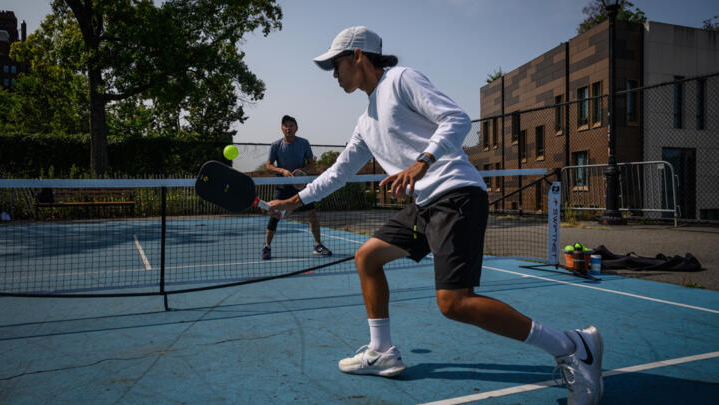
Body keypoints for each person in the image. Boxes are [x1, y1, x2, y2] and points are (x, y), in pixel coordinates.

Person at [267, 27, 603, 404]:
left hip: (455, 194)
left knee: (454, 303)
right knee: (368, 257)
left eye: (336, 63)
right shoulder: (365, 122)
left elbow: (457, 119)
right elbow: (339, 172)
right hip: (426, 204)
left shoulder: (401, 80)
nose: (334, 73)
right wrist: (296, 200)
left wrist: (421, 163)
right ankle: (382, 351)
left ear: (358, 56)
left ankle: (572, 346)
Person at [262, 115, 332, 260]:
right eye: (286, 125)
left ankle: (317, 245)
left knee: (312, 214)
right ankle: (267, 247)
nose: (288, 128)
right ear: (282, 129)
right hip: (283, 186)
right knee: (275, 216)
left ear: (296, 128)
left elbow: (311, 164)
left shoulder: (304, 143)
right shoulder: (276, 145)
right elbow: (268, 165)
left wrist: (303, 171)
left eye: (291, 125)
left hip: (301, 187)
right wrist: (282, 171)